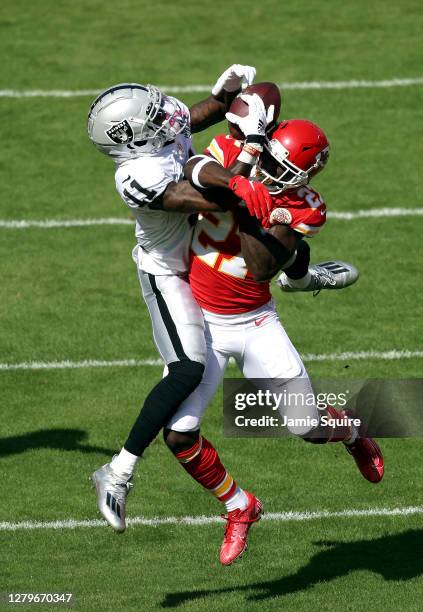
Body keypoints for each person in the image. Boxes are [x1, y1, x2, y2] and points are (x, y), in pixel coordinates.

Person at [161, 117, 384, 565]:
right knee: (178, 435)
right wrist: (238, 181)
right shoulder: (238, 152)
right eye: (267, 159)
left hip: (254, 323)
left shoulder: (306, 207)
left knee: (307, 428)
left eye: (279, 168)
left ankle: (353, 429)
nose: (266, 170)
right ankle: (239, 506)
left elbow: (261, 265)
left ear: (301, 177)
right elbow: (192, 167)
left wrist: (246, 206)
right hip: (199, 321)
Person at [87, 66, 274, 532]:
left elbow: (194, 117)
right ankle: (118, 471)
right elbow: (221, 198)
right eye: (152, 119)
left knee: (264, 263)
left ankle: (302, 273)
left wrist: (224, 94)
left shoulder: (153, 138)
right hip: (170, 274)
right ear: (131, 141)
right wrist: (250, 144)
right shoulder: (137, 174)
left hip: (202, 260)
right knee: (187, 370)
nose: (166, 120)